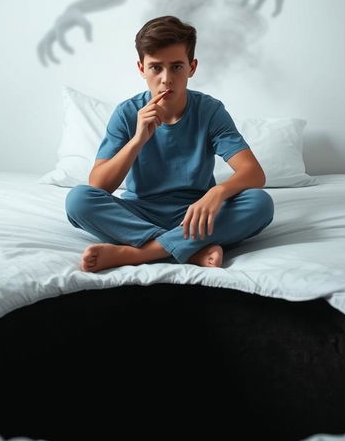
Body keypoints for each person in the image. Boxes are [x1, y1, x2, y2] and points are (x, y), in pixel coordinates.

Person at [65, 15, 274, 272]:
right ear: (141, 68)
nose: (166, 78)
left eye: (176, 67)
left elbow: (253, 173)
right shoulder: (127, 113)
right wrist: (138, 139)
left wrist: (216, 193)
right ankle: (190, 251)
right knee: (78, 200)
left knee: (260, 203)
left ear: (192, 67)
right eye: (156, 67)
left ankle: (137, 254)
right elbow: (99, 185)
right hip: (139, 212)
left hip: (196, 214)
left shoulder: (210, 111)